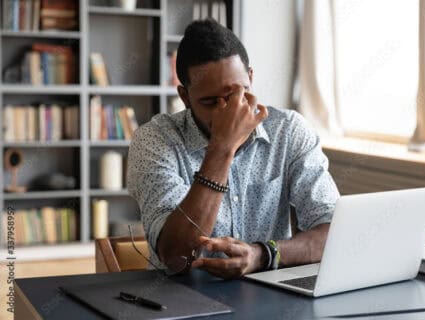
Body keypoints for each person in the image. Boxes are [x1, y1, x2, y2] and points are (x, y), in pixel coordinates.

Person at [127, 19, 340, 279]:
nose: (227, 111)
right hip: (181, 299)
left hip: (269, 297)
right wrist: (222, 147)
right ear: (185, 97)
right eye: (209, 101)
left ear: (250, 78)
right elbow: (176, 257)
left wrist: (263, 255)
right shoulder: (154, 139)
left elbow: (334, 233)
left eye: (235, 95)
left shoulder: (288, 130)